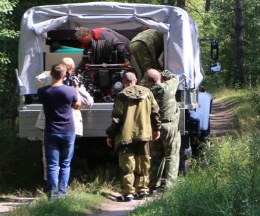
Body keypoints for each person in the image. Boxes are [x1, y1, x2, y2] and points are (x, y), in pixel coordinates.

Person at [35, 58, 94, 182]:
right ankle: (61, 190)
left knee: (52, 161)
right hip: (67, 128)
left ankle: (52, 189)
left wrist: (72, 85)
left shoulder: (47, 88)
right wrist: (74, 88)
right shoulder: (68, 88)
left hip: (53, 128)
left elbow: (88, 102)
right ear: (66, 72)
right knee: (62, 162)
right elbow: (87, 103)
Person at [106, 71, 160, 201]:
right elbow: (155, 112)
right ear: (135, 80)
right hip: (144, 134)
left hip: (126, 136)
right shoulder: (148, 93)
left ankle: (128, 193)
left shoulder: (121, 96)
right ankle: (142, 191)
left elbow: (116, 118)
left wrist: (110, 135)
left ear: (124, 82)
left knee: (127, 166)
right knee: (143, 164)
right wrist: (156, 128)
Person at [38, 62, 82, 199]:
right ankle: (62, 194)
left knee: (52, 165)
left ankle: (52, 194)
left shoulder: (43, 91)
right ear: (65, 75)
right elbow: (77, 106)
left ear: (51, 74)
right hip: (68, 131)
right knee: (65, 164)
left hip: (51, 131)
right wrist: (76, 88)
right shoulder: (70, 91)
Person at [144, 68, 180, 192]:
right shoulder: (168, 88)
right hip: (169, 126)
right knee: (171, 156)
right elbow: (175, 77)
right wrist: (163, 73)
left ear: (147, 81)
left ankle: (152, 184)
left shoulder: (146, 92)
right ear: (159, 78)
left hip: (154, 128)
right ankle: (169, 186)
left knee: (156, 157)